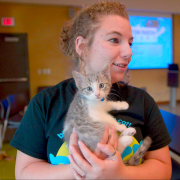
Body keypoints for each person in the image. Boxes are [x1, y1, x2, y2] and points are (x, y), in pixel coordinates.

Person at [10, 1, 172, 179]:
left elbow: (163, 167)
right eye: (114, 40)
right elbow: (24, 173)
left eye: (130, 43)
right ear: (81, 46)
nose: (128, 52)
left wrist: (121, 173)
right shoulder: (45, 103)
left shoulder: (142, 101)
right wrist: (84, 167)